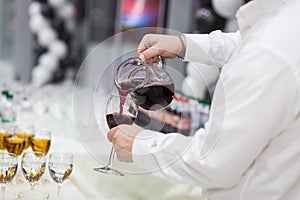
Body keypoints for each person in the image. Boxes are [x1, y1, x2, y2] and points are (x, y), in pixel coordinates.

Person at [107, 0, 300, 199]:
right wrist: (184, 45)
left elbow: (215, 161)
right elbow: (243, 41)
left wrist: (138, 145)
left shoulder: (265, 55)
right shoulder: (287, 22)